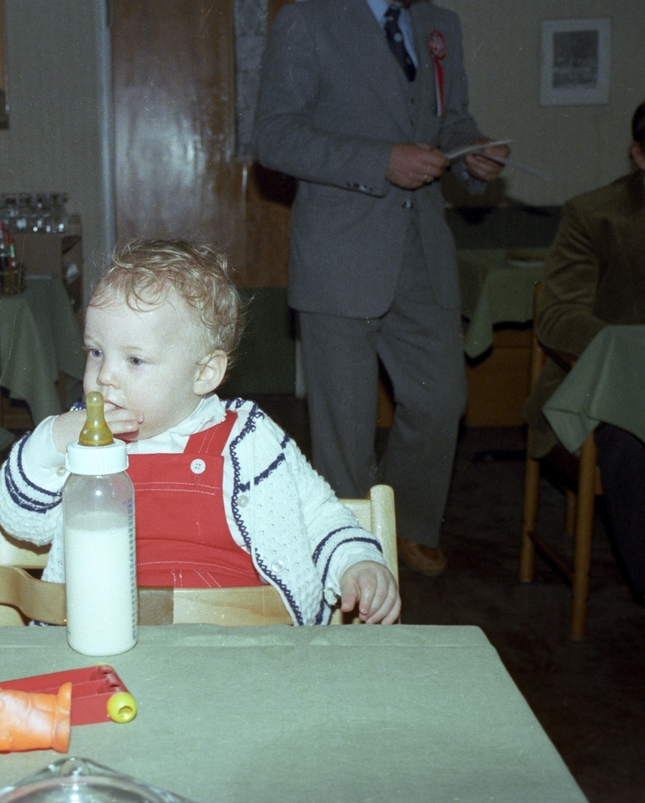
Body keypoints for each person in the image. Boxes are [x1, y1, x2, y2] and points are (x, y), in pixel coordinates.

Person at [0, 240, 401, 626]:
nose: (105, 376)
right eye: (96, 352)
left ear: (204, 373)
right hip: (106, 631)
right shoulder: (77, 443)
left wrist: (357, 562)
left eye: (134, 360)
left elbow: (319, 515)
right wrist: (52, 440)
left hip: (239, 641)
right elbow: (19, 518)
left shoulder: (250, 438)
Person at [254, 0, 508, 577]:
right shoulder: (307, 21)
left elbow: (452, 121)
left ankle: (408, 521)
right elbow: (274, 136)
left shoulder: (443, 24)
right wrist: (379, 160)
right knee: (345, 427)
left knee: (442, 399)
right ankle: (350, 550)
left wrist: (474, 156)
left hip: (422, 249)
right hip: (339, 254)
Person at [525, 86, 645, 663]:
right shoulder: (597, 214)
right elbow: (559, 316)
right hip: (615, 390)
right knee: (631, 437)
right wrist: (632, 353)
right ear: (640, 156)